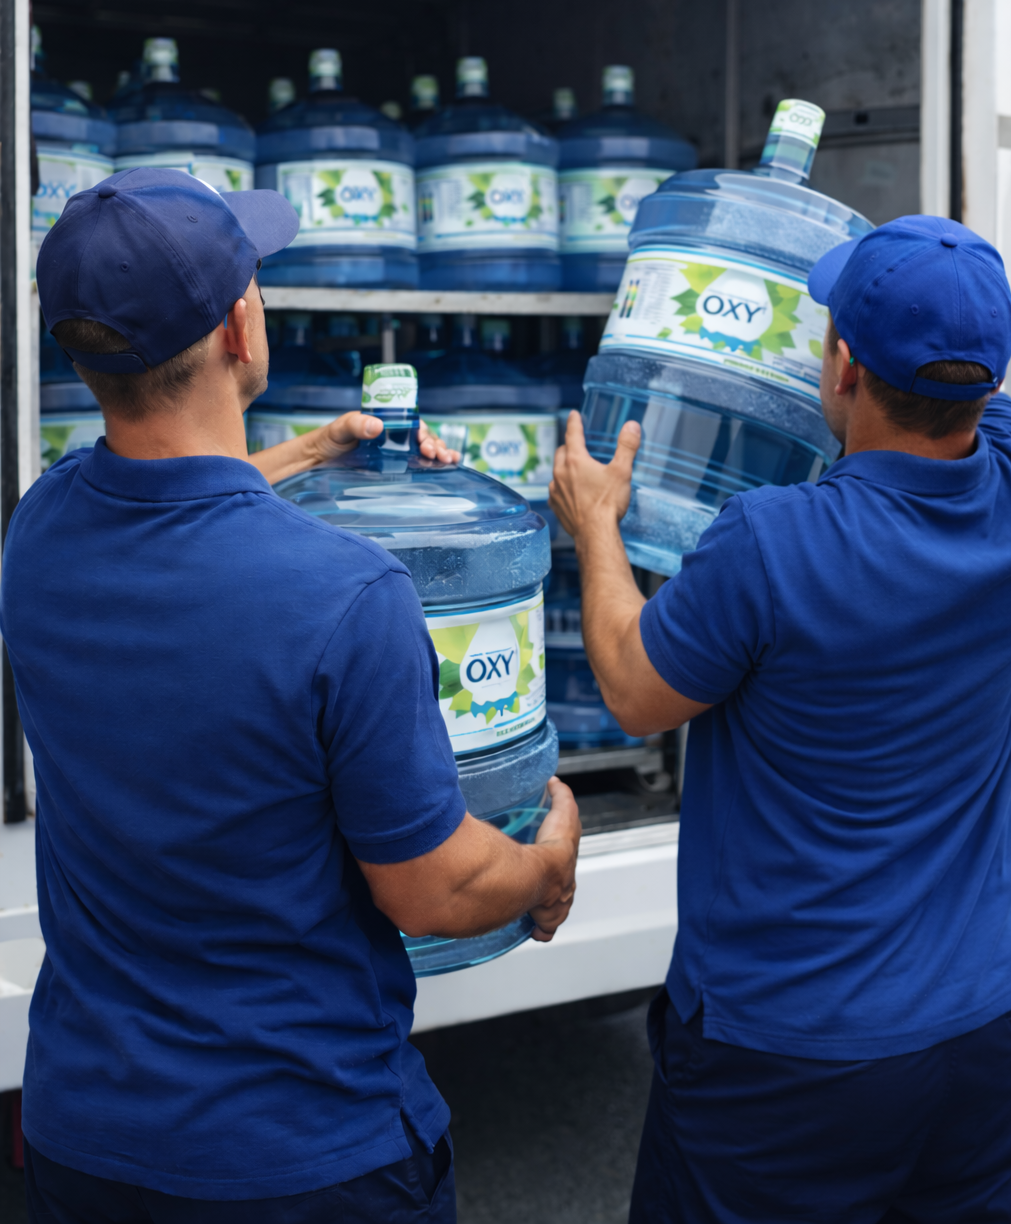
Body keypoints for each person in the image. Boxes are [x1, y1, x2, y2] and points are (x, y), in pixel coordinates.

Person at [2, 168, 580, 1224]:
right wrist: (544, 869)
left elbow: (172, 502)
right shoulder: (346, 596)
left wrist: (320, 449)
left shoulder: (38, 535)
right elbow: (434, 892)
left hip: (86, 1139)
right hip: (301, 1155)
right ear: (239, 325)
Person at [548, 213, 1011, 1223]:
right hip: (978, 1031)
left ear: (842, 364)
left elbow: (634, 689)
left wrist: (595, 523)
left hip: (786, 1053)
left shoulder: (772, 542)